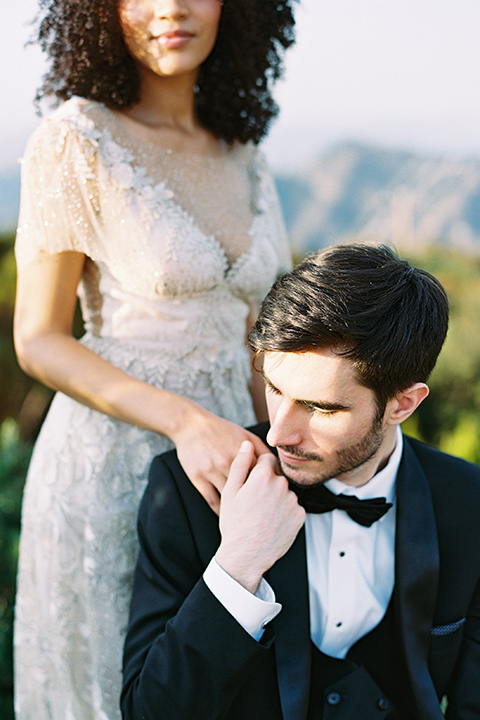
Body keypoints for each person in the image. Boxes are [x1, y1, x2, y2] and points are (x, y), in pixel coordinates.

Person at [13, 0, 296, 718]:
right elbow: (40, 339)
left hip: (232, 464)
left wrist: (299, 454)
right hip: (109, 463)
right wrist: (185, 422)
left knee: (223, 679)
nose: (171, 7)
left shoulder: (246, 153)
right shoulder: (75, 139)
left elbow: (262, 336)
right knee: (117, 689)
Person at [122, 243, 480, 720]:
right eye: (275, 389)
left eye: (321, 407)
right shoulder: (188, 492)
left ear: (403, 405)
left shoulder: (468, 503)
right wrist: (238, 566)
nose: (279, 433)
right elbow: (151, 713)